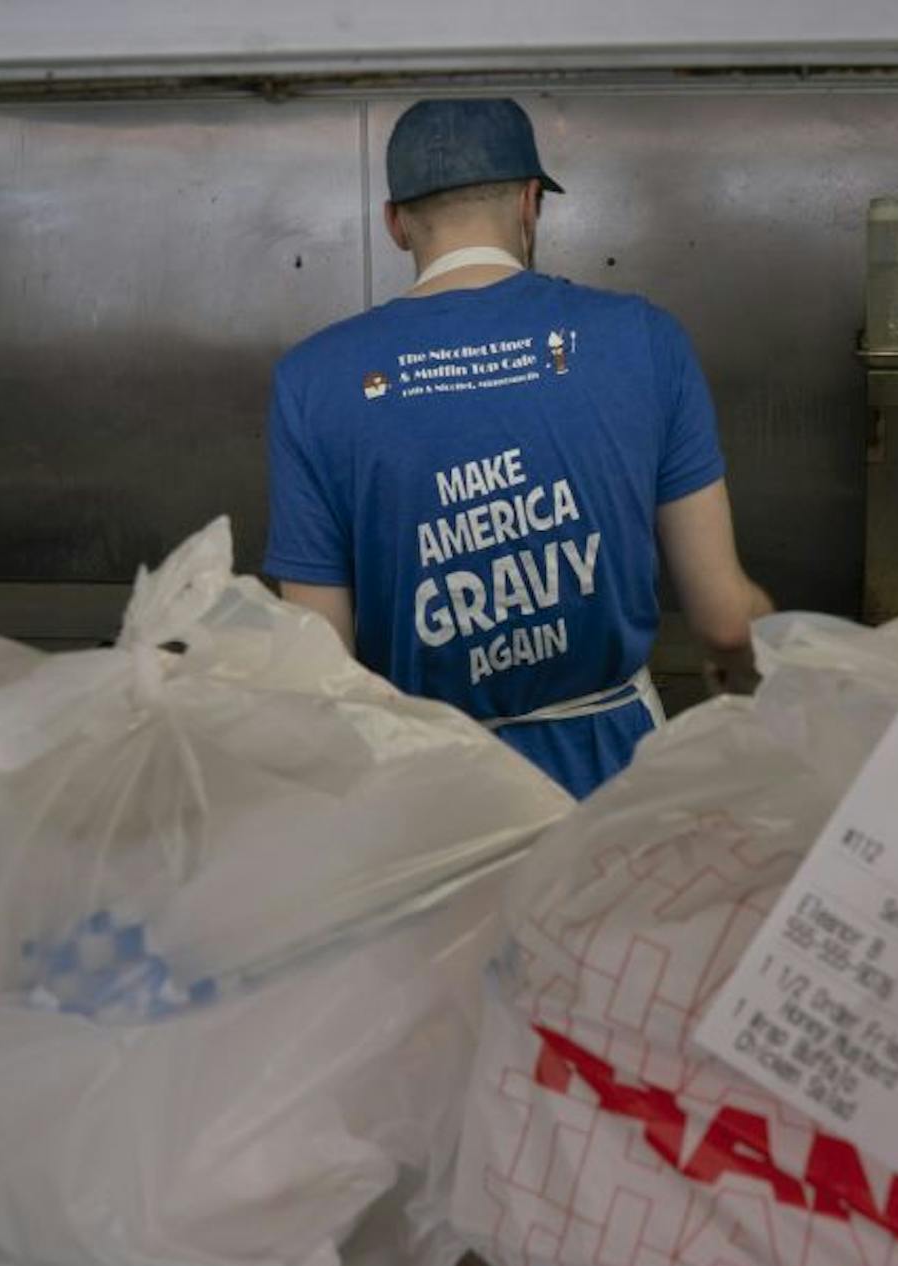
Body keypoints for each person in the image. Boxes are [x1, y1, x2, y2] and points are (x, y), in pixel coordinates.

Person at [264, 97, 772, 799]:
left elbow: (317, 674)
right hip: (611, 791)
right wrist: (763, 686)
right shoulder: (645, 339)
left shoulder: (310, 380)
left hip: (423, 806)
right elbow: (723, 620)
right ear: (532, 204)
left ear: (395, 224)